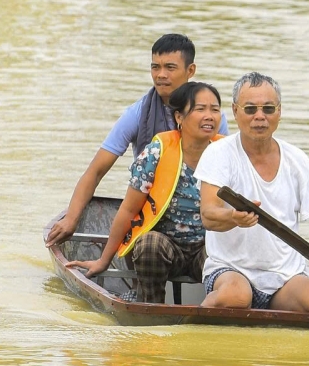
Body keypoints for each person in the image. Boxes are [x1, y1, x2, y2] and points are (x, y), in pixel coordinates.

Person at [45, 33, 229, 247]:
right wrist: (71, 218)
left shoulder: (211, 118)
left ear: (190, 71)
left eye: (170, 67)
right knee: (149, 245)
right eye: (155, 67)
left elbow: (228, 175)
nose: (161, 75)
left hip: (198, 216)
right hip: (152, 216)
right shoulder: (137, 114)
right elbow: (96, 171)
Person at [196, 73, 309, 314]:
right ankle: (198, 322)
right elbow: (208, 214)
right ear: (235, 111)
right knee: (236, 297)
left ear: (279, 111)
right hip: (231, 270)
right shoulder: (218, 153)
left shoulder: (297, 159)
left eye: (268, 109)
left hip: (286, 276)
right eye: (250, 109)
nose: (260, 117)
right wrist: (234, 218)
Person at [64, 81, 224, 303]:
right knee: (150, 244)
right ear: (179, 117)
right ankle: (150, 306)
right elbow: (128, 210)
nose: (209, 116)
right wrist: (104, 260)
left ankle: (216, 306)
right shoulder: (157, 151)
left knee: (228, 253)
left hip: (206, 248)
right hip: (165, 247)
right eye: (200, 109)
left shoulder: (227, 153)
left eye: (215, 110)